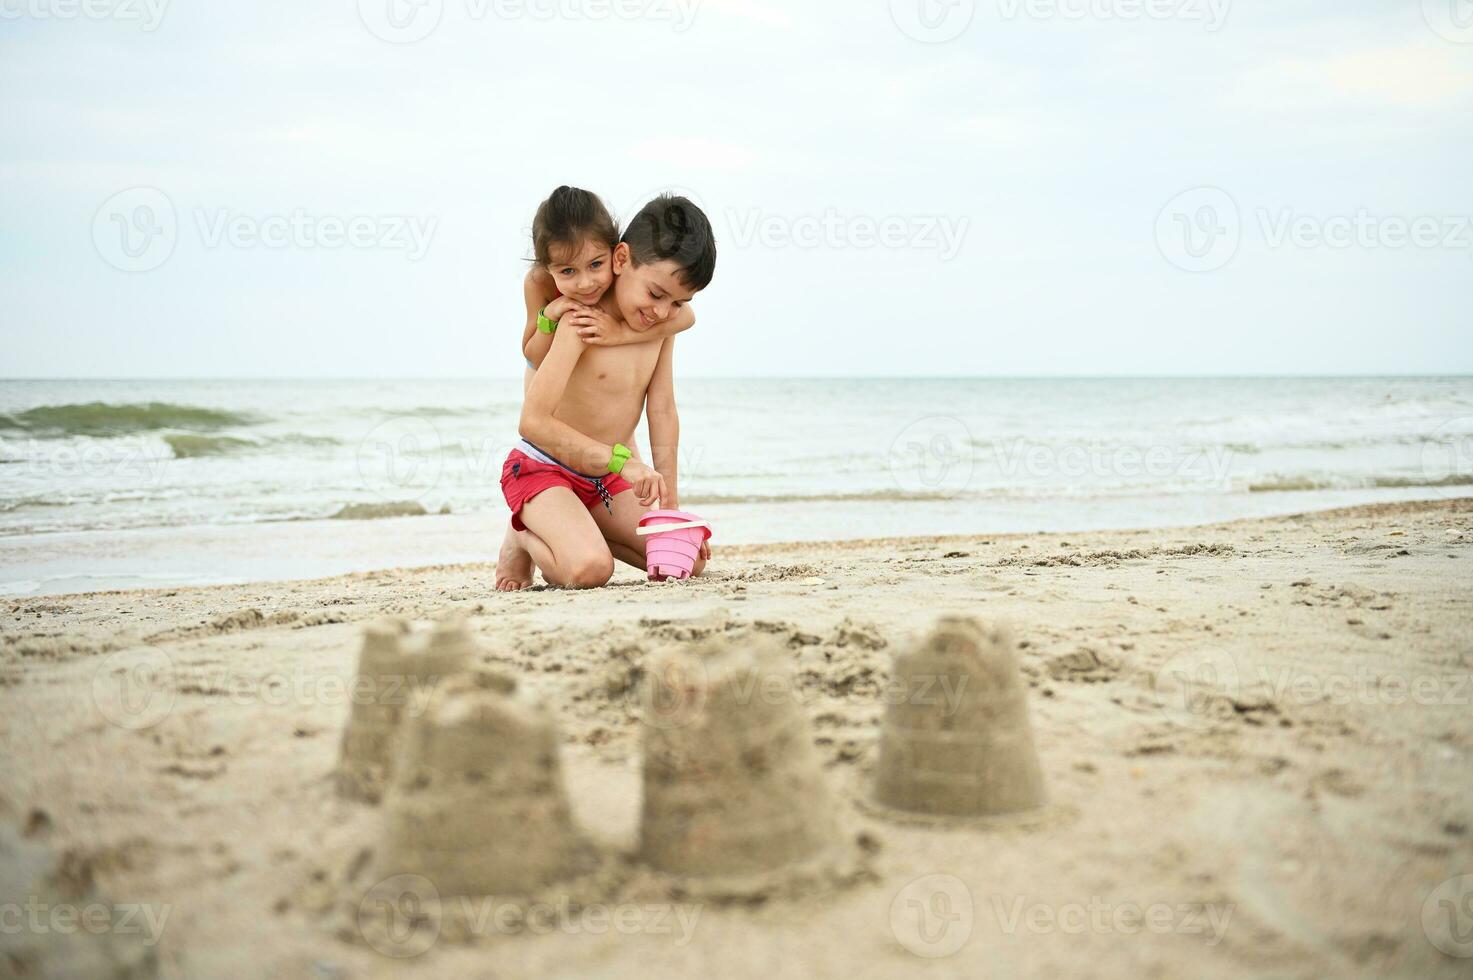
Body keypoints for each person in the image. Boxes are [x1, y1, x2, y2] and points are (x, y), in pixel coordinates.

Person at [498, 193, 716, 588]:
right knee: (590, 570)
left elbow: (663, 410)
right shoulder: (581, 320)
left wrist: (670, 506)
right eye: (654, 294)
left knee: (681, 564)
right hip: (544, 469)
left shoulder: (659, 328)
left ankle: (581, 529)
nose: (663, 312)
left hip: (604, 481)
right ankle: (522, 536)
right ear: (620, 260)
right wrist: (623, 463)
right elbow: (532, 422)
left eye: (677, 302)